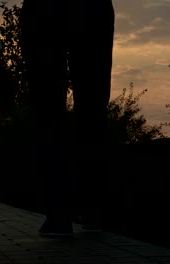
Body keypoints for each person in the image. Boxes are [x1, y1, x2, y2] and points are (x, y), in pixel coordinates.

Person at [19, 0, 115, 237]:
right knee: (92, 107)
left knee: (49, 110)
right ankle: (94, 210)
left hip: (45, 11)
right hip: (92, 9)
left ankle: (59, 214)